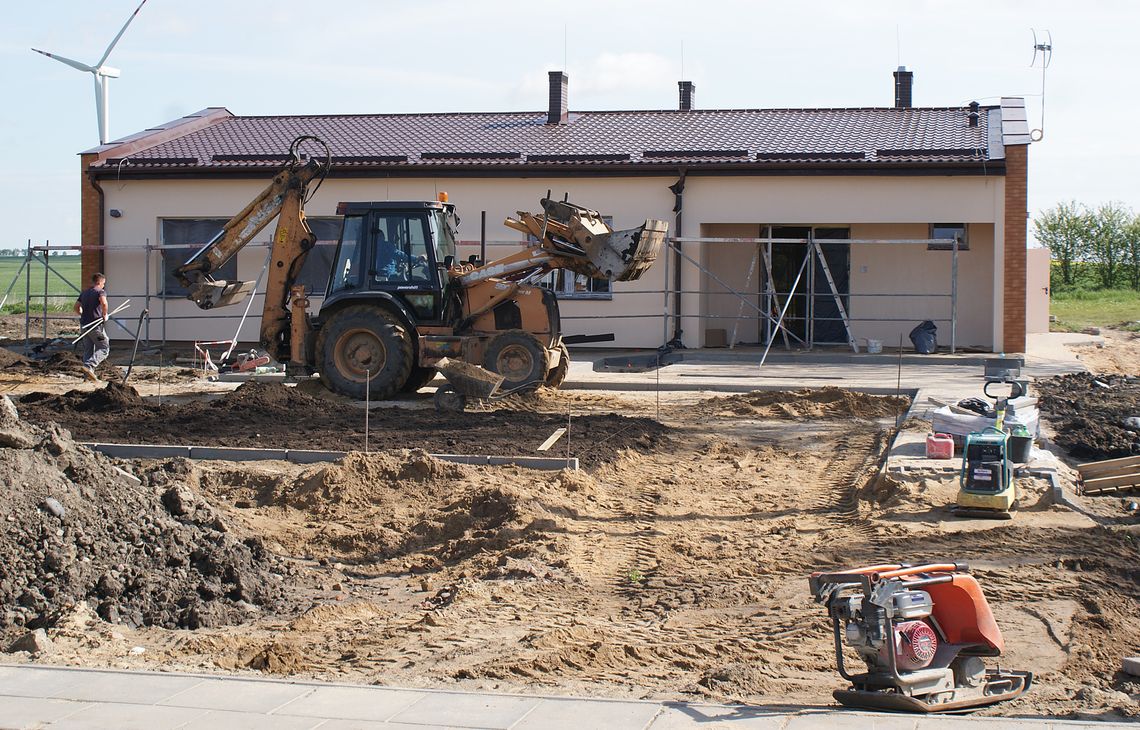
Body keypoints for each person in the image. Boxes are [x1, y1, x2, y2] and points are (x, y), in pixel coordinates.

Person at [74, 272, 110, 382]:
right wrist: (105, 315)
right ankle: (89, 366)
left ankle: (87, 377)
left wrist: (82, 314)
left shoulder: (84, 293)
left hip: (84, 325)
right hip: (95, 326)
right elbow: (104, 303)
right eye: (103, 283)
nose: (104, 285)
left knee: (88, 350)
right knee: (104, 348)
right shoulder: (101, 291)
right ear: (99, 282)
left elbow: (76, 307)